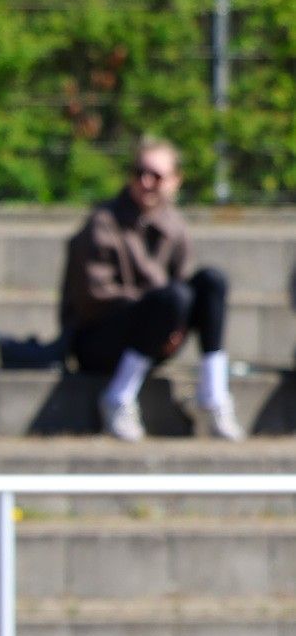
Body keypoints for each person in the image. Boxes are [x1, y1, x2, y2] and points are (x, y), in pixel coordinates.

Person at [63, 137, 240, 442]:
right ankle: (117, 396)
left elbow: (183, 286)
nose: (146, 182)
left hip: (153, 339)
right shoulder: (103, 223)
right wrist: (159, 309)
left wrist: (173, 319)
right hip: (100, 338)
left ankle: (213, 393)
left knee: (212, 281)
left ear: (175, 180)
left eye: (156, 176)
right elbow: (94, 296)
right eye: (138, 173)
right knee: (172, 297)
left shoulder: (174, 225)